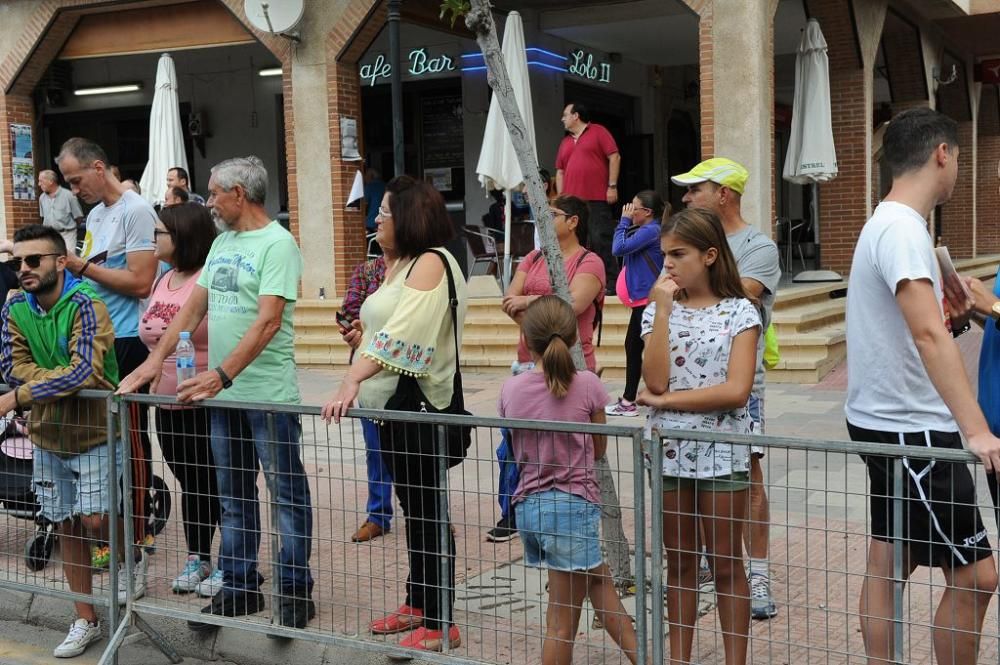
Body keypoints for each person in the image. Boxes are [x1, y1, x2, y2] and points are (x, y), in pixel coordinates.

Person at [118, 155, 315, 633]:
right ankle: (240, 586)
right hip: (222, 397)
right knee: (233, 495)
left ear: (239, 195)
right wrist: (152, 362)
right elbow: (188, 312)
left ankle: (293, 592)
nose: (208, 204)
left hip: (265, 396)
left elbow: (268, 322)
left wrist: (220, 375)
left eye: (213, 194)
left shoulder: (278, 244)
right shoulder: (224, 242)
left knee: (284, 494)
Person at [845, 107, 1000, 665]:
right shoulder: (904, 229)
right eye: (958, 157)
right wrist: (977, 432)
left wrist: (953, 317)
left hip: (887, 419)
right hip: (912, 430)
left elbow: (927, 329)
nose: (956, 168)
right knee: (979, 575)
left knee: (892, 557)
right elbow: (929, 337)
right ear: (942, 153)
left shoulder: (888, 223)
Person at [321, 175, 468, 652]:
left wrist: (352, 377)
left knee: (428, 512)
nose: (376, 220)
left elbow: (402, 340)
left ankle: (442, 618)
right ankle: (419, 600)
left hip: (422, 409)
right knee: (414, 509)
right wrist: (360, 341)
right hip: (391, 410)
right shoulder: (399, 264)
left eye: (383, 212)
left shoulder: (431, 263)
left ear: (406, 215)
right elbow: (380, 332)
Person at [637, 208, 760, 665]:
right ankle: (680, 659)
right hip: (669, 453)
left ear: (709, 255)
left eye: (678, 254)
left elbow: (736, 390)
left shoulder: (740, 310)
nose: (667, 264)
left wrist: (667, 405)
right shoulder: (657, 310)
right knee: (681, 563)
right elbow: (655, 379)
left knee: (727, 564)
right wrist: (664, 311)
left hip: (724, 454)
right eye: (663, 254)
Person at [0, 225, 122, 658]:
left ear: (60, 261)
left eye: (34, 260)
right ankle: (85, 617)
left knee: (95, 520)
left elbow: (85, 373)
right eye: (17, 262)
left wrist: (19, 396)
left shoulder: (88, 304)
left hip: (95, 434)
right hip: (47, 435)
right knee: (68, 524)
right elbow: (12, 367)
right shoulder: (15, 307)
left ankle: (129, 550)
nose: (24, 269)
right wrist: (47, 382)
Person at [499, 296, 640, 665]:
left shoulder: (510, 390)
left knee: (599, 582)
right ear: (575, 338)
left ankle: (644, 656)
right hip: (571, 507)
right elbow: (597, 449)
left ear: (527, 341)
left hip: (530, 507)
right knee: (562, 624)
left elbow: (514, 446)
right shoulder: (589, 385)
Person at [672, 157, 781, 619]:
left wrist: (689, 283)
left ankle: (756, 573)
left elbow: (740, 295)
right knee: (688, 479)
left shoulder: (759, 246)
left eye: (696, 189)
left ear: (724, 194)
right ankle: (702, 565)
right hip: (684, 381)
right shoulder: (691, 243)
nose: (686, 197)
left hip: (741, 385)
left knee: (748, 477)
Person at [57, 137, 157, 577]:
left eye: (77, 180)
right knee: (104, 440)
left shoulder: (136, 210)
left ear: (99, 168)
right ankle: (111, 533)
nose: (74, 189)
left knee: (130, 439)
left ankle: (134, 537)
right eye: (68, 182)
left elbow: (140, 282)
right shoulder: (96, 214)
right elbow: (94, 272)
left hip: (130, 338)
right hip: (97, 335)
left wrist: (81, 268)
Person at [489, 194, 605, 542]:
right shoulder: (532, 257)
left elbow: (574, 304)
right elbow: (510, 299)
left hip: (572, 366)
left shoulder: (590, 261)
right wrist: (541, 308)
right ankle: (514, 510)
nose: (543, 219)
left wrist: (529, 304)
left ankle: (574, 515)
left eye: (551, 214)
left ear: (573, 221)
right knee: (513, 445)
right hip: (526, 363)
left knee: (569, 446)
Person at [138, 202, 221, 595]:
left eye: (159, 233)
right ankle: (198, 557)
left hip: (205, 402)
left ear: (182, 236)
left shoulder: (209, 278)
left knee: (216, 481)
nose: (152, 239)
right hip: (167, 405)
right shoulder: (163, 278)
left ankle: (233, 563)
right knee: (189, 481)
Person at [341, 253, 395, 543]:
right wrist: (354, 329)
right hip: (371, 372)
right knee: (376, 449)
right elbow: (348, 312)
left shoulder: (423, 266)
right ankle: (378, 515)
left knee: (421, 451)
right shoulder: (368, 270)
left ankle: (434, 513)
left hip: (413, 373)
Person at [607, 190, 667, 417]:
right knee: (636, 347)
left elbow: (618, 248)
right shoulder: (646, 230)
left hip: (647, 301)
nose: (629, 210)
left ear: (648, 212)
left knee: (635, 347)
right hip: (642, 300)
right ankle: (631, 398)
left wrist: (623, 221)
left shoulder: (652, 231)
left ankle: (629, 400)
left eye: (634, 207)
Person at [555, 102, 621, 292]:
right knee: (576, 242)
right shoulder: (565, 142)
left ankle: (610, 282)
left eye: (565, 115)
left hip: (597, 198)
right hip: (572, 203)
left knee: (601, 238)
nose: (562, 119)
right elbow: (559, 171)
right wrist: (561, 198)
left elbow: (614, 157)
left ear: (576, 116)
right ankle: (577, 284)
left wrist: (612, 186)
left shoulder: (598, 131)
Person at [37, 170, 83, 255]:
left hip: (67, 234)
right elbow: (43, 217)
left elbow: (78, 217)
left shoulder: (69, 195)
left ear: (51, 181)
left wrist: (69, 227)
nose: (39, 184)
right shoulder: (42, 198)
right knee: (51, 261)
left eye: (41, 181)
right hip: (50, 235)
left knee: (68, 260)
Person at [363, 167, 385, 233]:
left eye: (366, 176)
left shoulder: (370, 187)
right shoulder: (385, 186)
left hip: (371, 223)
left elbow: (364, 205)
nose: (364, 178)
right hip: (384, 222)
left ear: (371, 176)